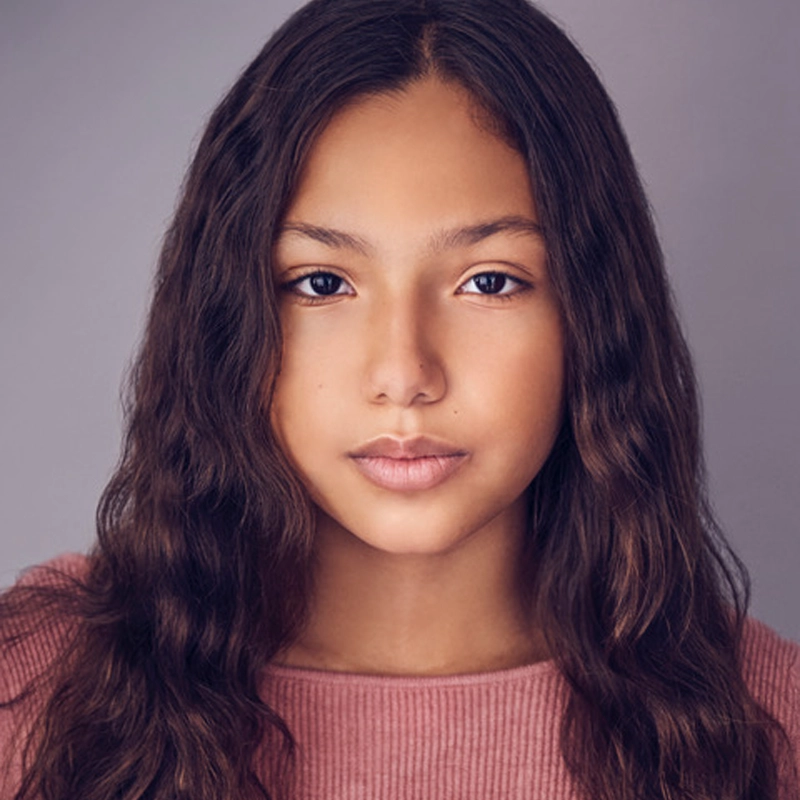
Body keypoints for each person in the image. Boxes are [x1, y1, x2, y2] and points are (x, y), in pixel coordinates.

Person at [1, 0, 797, 798]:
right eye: (322, 283)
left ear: (594, 312)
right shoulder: (35, 694)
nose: (404, 374)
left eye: (489, 281)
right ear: (225, 315)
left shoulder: (766, 725)